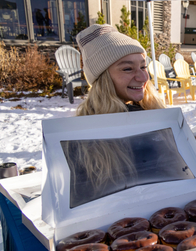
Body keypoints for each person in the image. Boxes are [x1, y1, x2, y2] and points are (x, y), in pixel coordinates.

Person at [68, 24, 187, 208]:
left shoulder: (153, 113)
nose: (142, 77)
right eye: (127, 69)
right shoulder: (81, 138)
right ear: (103, 79)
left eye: (143, 66)